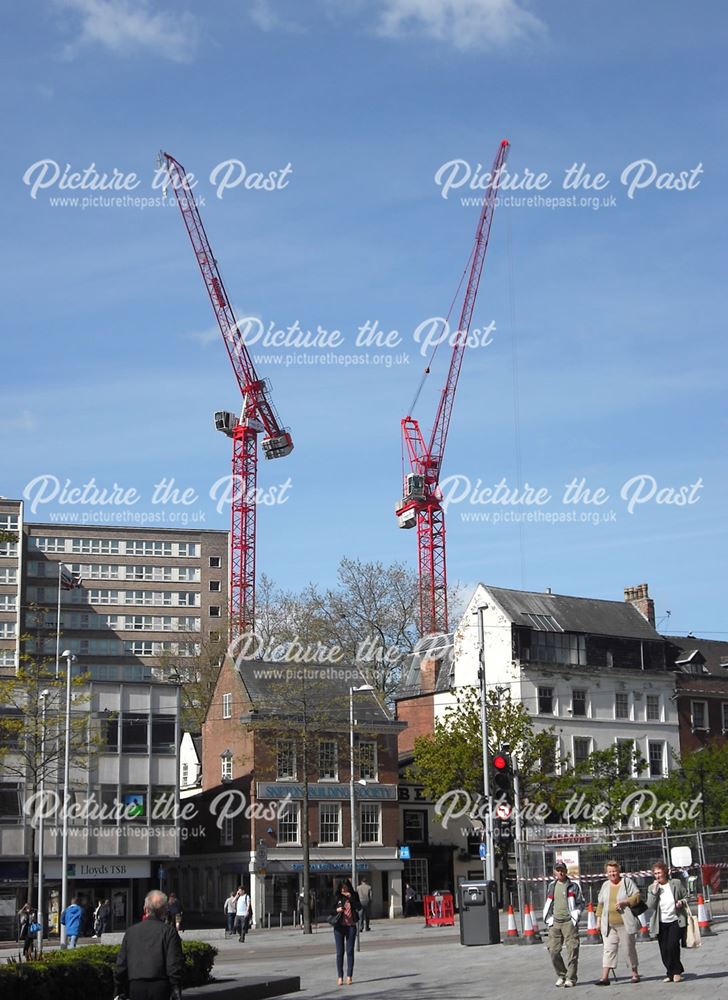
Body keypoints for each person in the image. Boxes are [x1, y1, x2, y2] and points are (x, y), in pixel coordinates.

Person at [114, 890, 184, 1000]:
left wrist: (119, 987)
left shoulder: (131, 932)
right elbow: (174, 964)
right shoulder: (168, 932)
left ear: (145, 909)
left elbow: (121, 964)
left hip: (135, 985)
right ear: (164, 911)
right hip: (160, 986)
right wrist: (175, 987)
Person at [595, 860, 642, 985]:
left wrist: (625, 902)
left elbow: (637, 897)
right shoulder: (605, 885)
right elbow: (600, 904)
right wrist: (598, 921)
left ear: (619, 871)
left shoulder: (627, 882)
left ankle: (634, 973)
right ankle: (604, 977)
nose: (612, 874)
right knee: (608, 949)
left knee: (628, 949)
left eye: (614, 871)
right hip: (608, 924)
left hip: (624, 923)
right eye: (610, 871)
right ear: (606, 873)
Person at [543, 861, 584, 988]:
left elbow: (580, 903)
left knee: (572, 950)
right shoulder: (551, 886)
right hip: (555, 922)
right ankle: (562, 974)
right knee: (553, 951)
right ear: (554, 872)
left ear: (566, 871)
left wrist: (575, 915)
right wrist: (549, 919)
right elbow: (549, 903)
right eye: (558, 870)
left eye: (562, 870)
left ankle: (571, 978)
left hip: (569, 922)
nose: (560, 872)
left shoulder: (573, 886)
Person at [647, 861, 688, 983]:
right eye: (655, 873)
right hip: (661, 922)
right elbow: (651, 905)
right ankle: (670, 972)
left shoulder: (676, 883)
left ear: (665, 872)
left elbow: (686, 897)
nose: (658, 875)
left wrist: (681, 902)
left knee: (672, 945)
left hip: (676, 920)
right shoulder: (652, 888)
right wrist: (654, 892)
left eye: (659, 872)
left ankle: (676, 972)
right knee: (664, 949)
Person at [332, 878, 361, 987]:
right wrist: (337, 910)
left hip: (351, 926)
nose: (344, 889)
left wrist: (351, 898)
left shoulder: (353, 895)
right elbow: (330, 909)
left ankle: (349, 976)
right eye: (342, 887)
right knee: (340, 952)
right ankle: (340, 976)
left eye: (345, 886)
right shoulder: (337, 897)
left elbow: (359, 907)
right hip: (339, 927)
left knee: (349, 951)